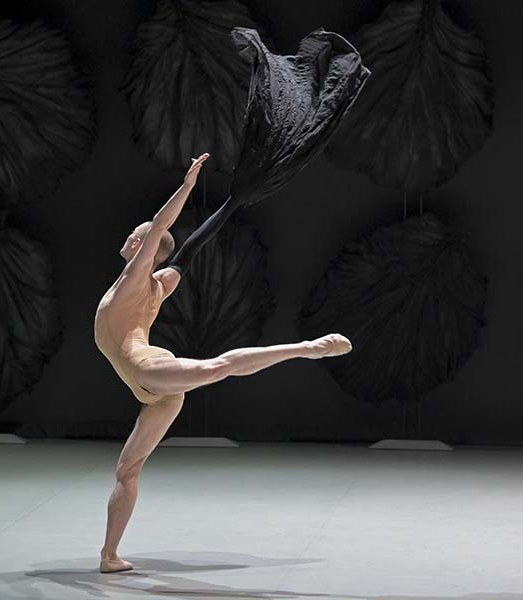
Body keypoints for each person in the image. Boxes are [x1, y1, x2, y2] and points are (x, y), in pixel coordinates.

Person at [93, 152, 353, 574]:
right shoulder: (158, 285)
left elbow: (163, 227)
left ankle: (306, 347)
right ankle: (109, 557)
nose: (129, 235)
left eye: (136, 234)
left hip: (148, 369)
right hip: (153, 393)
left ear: (142, 249)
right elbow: (190, 250)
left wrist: (188, 187)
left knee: (217, 367)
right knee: (127, 470)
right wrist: (230, 204)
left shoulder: (137, 277)